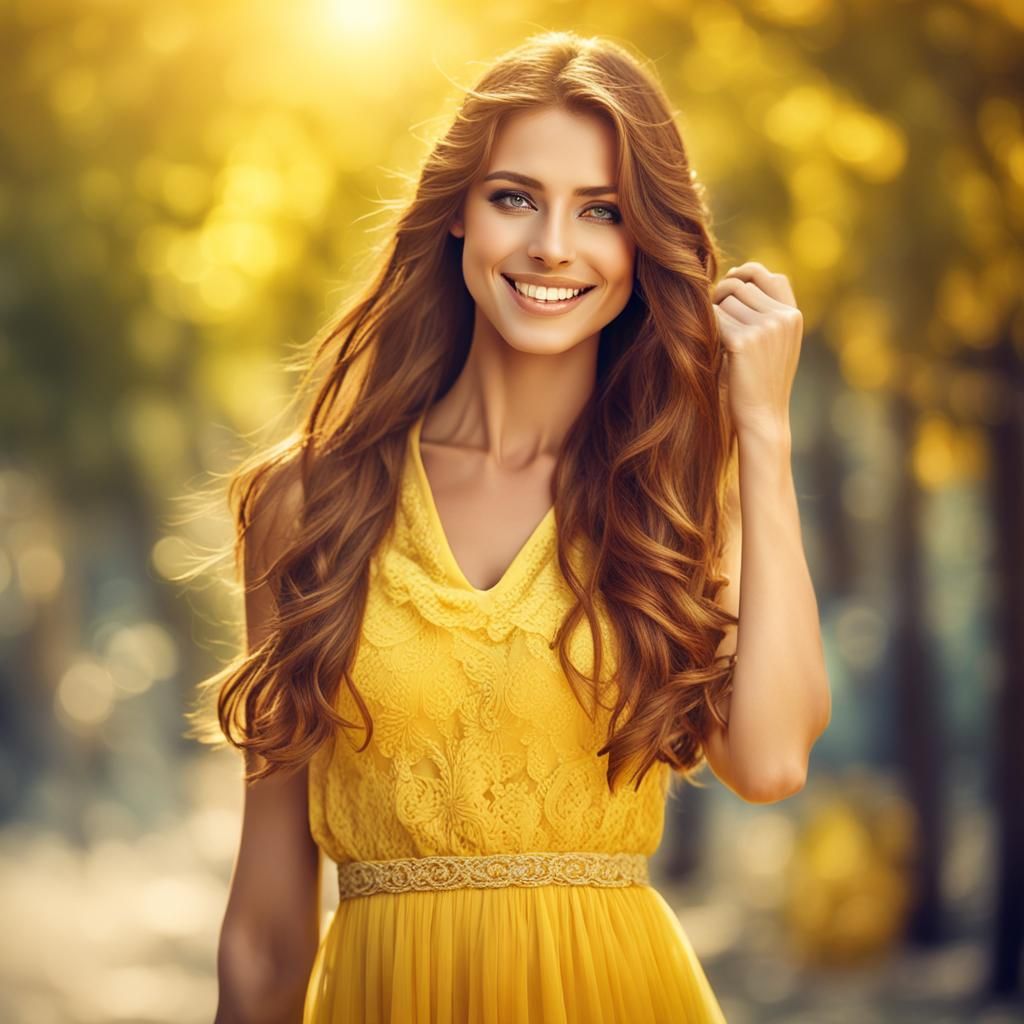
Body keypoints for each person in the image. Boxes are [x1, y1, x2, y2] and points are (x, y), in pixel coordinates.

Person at [190, 28, 831, 1024]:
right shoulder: (306, 506)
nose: (552, 246)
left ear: (640, 242)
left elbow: (771, 759)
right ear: (457, 214)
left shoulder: (671, 496)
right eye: (515, 197)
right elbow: (267, 926)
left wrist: (760, 432)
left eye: (602, 211)